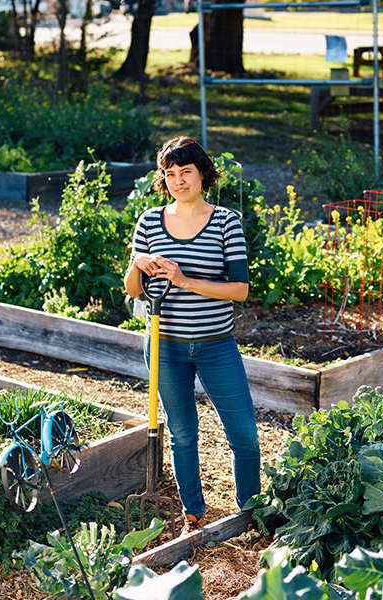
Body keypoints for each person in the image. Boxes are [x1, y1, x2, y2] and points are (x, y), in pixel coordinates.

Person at [124, 136, 261, 536]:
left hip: (216, 345)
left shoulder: (225, 222)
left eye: (186, 171)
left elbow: (239, 290)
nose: (178, 181)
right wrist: (138, 263)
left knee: (245, 436)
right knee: (183, 434)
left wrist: (184, 280)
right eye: (170, 174)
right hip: (165, 346)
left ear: (203, 173)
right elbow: (133, 290)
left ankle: (248, 514)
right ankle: (194, 514)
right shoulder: (150, 221)